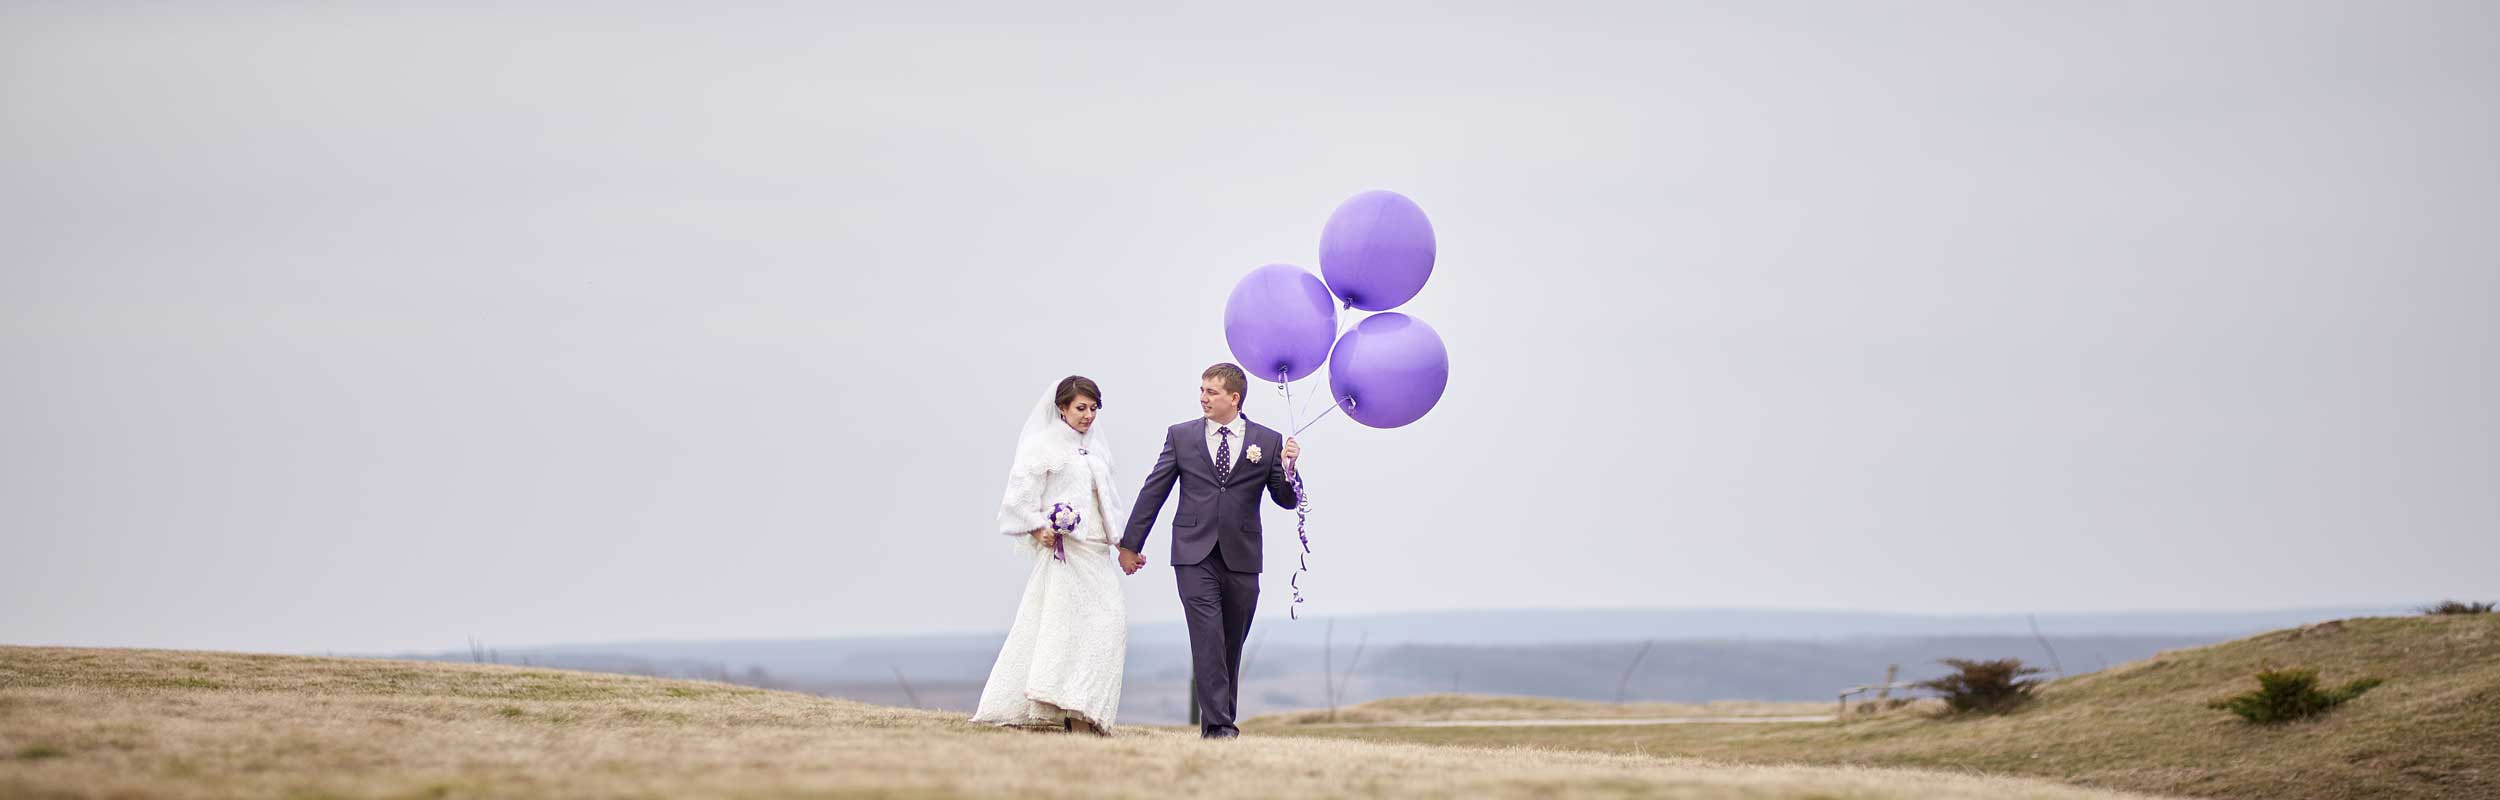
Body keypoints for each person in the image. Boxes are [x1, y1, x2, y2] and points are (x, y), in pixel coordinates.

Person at [1120, 362, 1301, 739]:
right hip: (1192, 553)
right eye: (1202, 390)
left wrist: (1290, 469)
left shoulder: (1267, 441)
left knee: (1230, 644)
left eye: (1212, 392)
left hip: (1243, 556)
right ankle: (1222, 727)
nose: (1203, 397)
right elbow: (1154, 490)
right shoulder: (1181, 436)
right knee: (1207, 638)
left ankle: (1215, 727)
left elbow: (1285, 500)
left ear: (1234, 398)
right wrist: (1130, 545)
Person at [970, 375, 1129, 736]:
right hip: (1065, 555)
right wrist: (1039, 526)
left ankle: (1089, 709)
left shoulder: (1097, 451)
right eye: (1080, 408)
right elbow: (1017, 500)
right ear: (1062, 408)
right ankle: (1074, 715)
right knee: (1067, 632)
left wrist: (1122, 544)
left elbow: (1110, 503)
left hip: (1096, 551)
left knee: (1109, 625)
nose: (1088, 416)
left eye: (1093, 409)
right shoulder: (1041, 446)